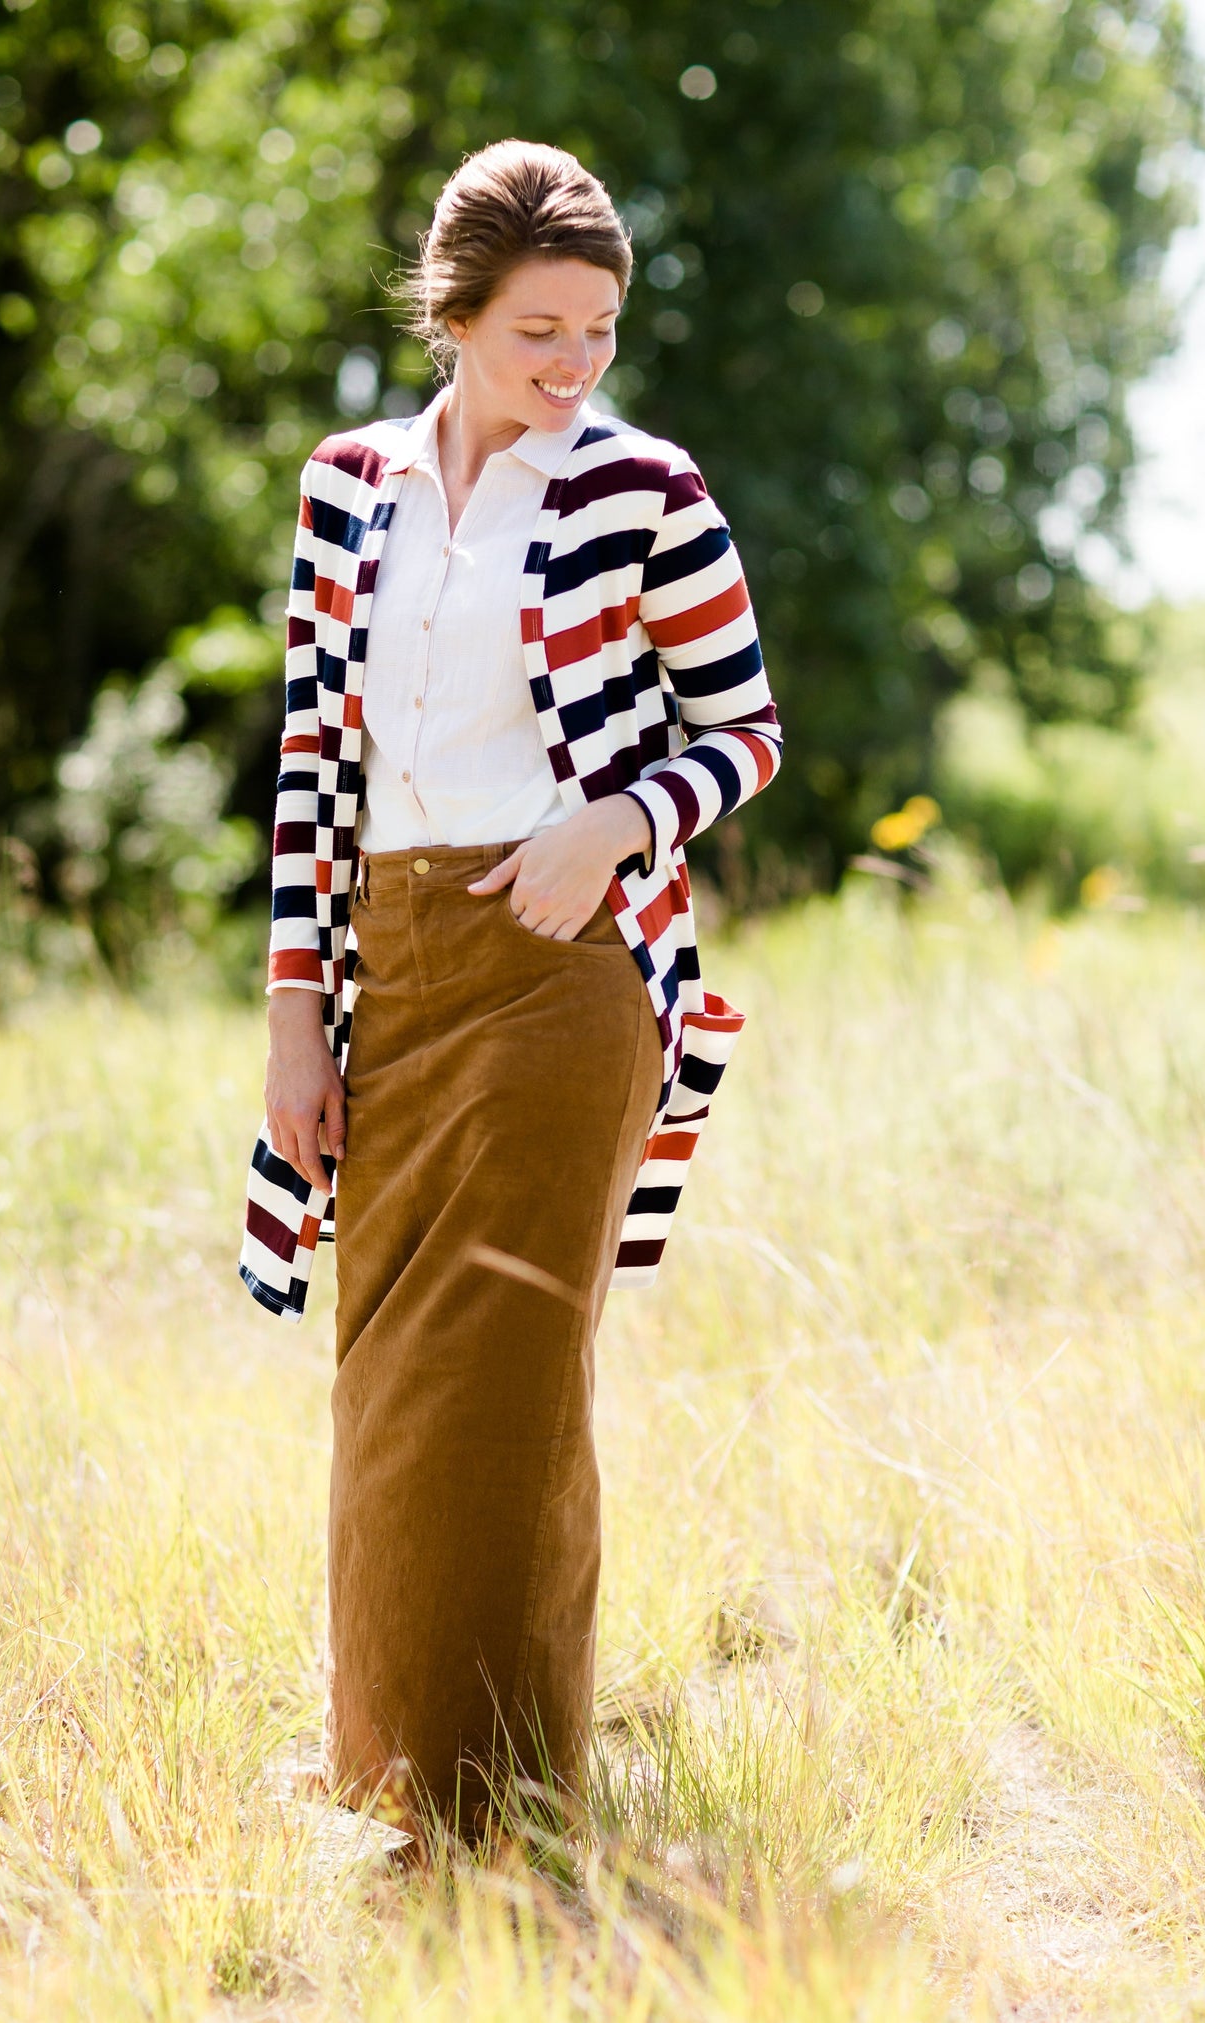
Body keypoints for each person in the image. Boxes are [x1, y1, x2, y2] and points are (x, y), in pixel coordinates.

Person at [238, 139, 781, 1846]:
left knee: (507, 1372)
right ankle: (379, 1766)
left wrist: (615, 822)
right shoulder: (348, 487)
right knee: (384, 1367)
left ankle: (494, 1801)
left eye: (598, 330)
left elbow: (744, 733)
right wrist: (291, 1008)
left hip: (567, 977)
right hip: (382, 968)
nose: (572, 364)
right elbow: (314, 757)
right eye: (541, 328)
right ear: (454, 314)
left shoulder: (647, 491)